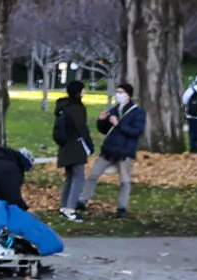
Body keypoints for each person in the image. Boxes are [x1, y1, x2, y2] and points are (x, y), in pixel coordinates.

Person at [91, 83, 145, 217]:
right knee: (93, 175)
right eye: (117, 92)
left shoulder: (137, 112)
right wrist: (102, 121)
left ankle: (122, 208)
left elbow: (136, 132)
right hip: (109, 149)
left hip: (125, 151)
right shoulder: (115, 110)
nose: (118, 95)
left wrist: (119, 124)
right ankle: (82, 200)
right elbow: (104, 130)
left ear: (128, 95)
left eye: (121, 92)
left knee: (125, 180)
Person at [51, 79, 93, 220]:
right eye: (82, 90)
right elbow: (82, 129)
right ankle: (70, 209)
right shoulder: (77, 109)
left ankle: (64, 206)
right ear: (77, 92)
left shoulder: (63, 107)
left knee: (69, 178)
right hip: (75, 147)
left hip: (65, 147)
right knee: (78, 179)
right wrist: (90, 145)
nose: (84, 92)